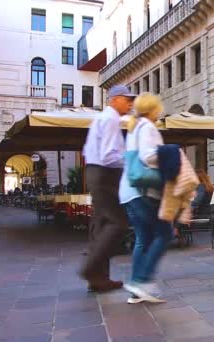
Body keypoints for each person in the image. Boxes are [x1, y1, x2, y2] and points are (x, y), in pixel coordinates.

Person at [81, 84, 135, 292]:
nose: (130, 103)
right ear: (114, 99)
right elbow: (109, 156)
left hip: (95, 172)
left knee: (101, 225)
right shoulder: (111, 119)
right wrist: (130, 160)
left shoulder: (101, 119)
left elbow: (90, 151)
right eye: (126, 98)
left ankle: (98, 278)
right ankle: (91, 268)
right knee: (118, 223)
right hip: (105, 174)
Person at [119, 92, 172, 304]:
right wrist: (170, 156)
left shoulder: (133, 128)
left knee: (144, 238)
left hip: (128, 192)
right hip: (142, 191)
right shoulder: (148, 127)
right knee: (164, 233)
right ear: (154, 109)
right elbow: (148, 157)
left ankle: (136, 289)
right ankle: (141, 280)